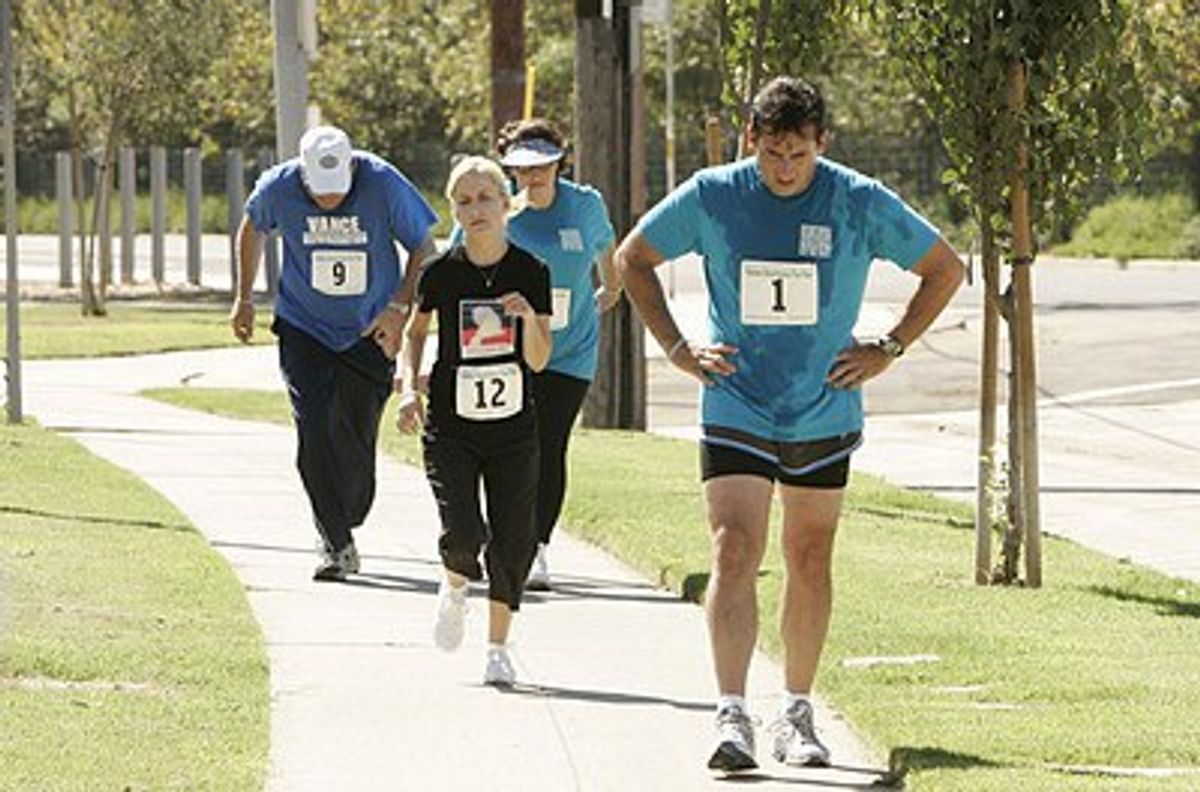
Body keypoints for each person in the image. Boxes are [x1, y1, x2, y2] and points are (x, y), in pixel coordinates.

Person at [616, 77, 965, 772]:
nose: (783, 169)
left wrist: (888, 348)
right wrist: (679, 350)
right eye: (772, 152)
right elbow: (633, 258)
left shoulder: (856, 199)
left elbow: (946, 269)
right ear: (751, 139)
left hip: (822, 403)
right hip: (737, 400)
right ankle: (731, 714)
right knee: (733, 549)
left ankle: (797, 709)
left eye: (798, 155)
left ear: (821, 144)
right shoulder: (715, 194)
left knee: (809, 555)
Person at [230, 125, 437, 582]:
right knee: (313, 429)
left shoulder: (383, 182)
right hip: (304, 326)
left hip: (369, 331)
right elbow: (252, 227)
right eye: (320, 192)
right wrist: (244, 296)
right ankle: (335, 543)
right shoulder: (278, 186)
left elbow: (424, 247)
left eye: (338, 191)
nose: (329, 200)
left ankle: (345, 516)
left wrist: (399, 308)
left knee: (356, 437)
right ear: (302, 173)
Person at [396, 156, 552, 686]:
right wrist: (407, 387)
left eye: (485, 197)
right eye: (463, 200)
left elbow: (537, 359)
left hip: (513, 428)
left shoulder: (532, 272)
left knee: (512, 541)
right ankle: (455, 583)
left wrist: (527, 317)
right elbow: (415, 334)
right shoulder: (440, 273)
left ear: (507, 204)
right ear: (453, 210)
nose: (475, 209)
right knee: (464, 531)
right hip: (452, 425)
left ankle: (497, 648)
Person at [449, 119, 620, 590]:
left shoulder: (585, 205)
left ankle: (536, 548)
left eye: (544, 165)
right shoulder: (497, 206)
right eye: (524, 168)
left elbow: (609, 253)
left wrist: (611, 288)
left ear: (560, 161)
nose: (535, 176)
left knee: (549, 446)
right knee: (503, 448)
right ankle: (497, 536)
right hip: (507, 353)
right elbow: (454, 261)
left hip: (571, 351)